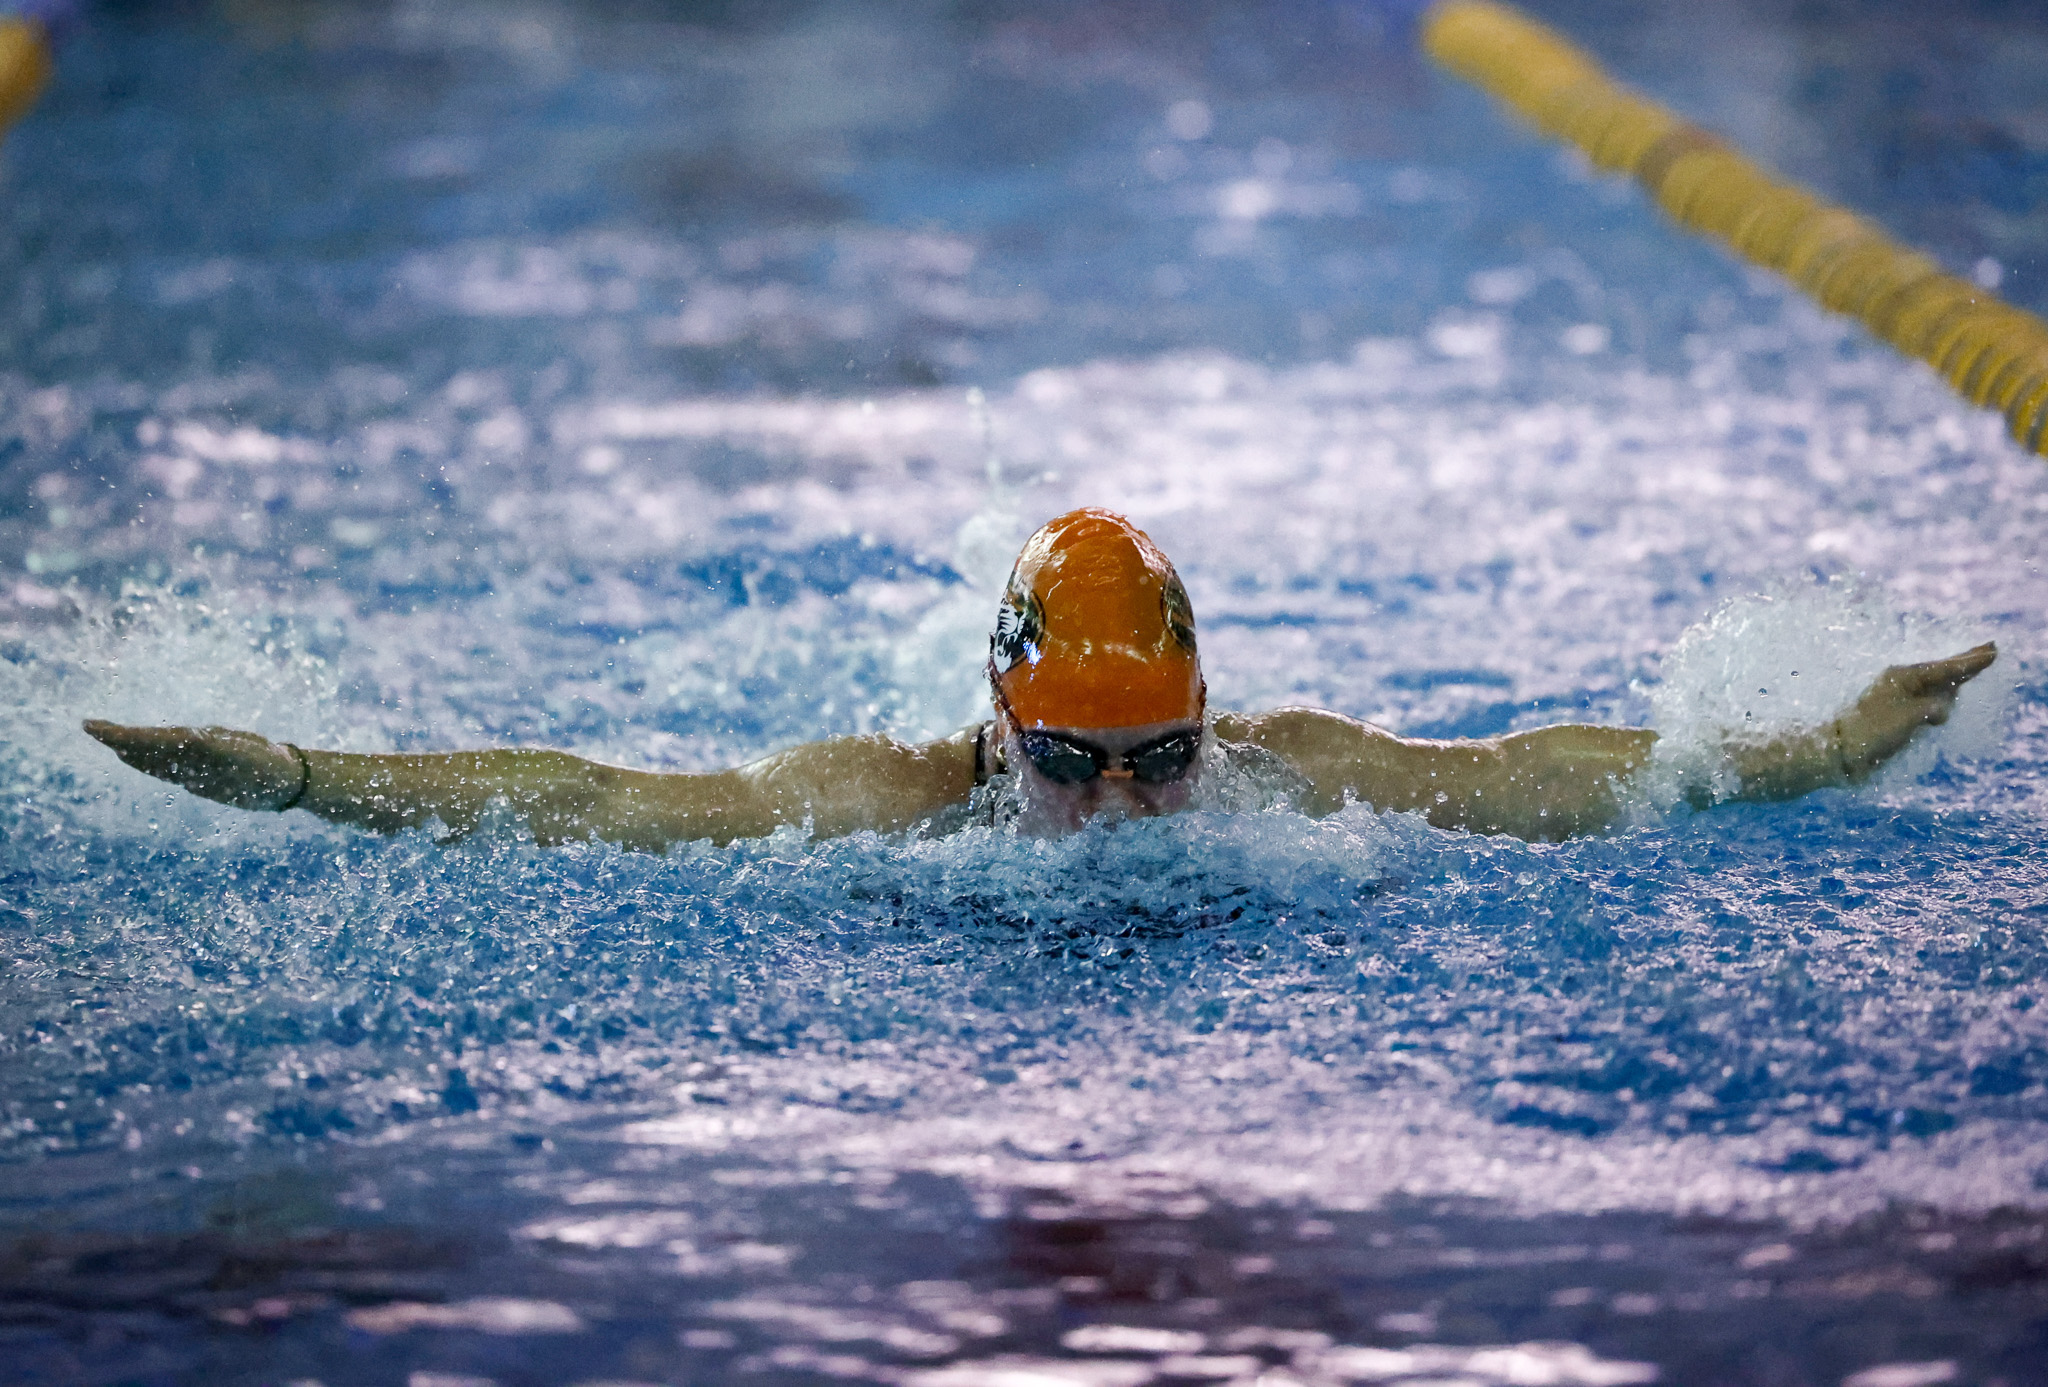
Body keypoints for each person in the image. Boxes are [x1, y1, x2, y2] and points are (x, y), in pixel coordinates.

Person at [85, 508, 1996, 849]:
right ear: (1001, 737)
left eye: (1160, 759)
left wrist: (1816, 752)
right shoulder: (885, 804)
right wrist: (306, 778)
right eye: (1075, 769)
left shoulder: (1279, 773)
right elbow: (596, 803)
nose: (1131, 807)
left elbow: (1529, 776)